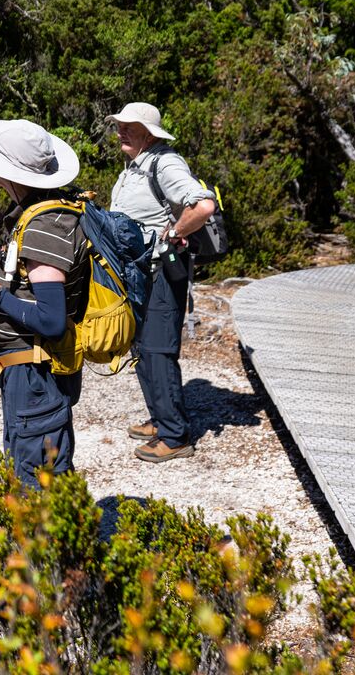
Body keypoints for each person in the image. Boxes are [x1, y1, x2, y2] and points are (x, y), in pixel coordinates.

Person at [0, 120, 91, 487]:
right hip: (30, 371)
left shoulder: (44, 226)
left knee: (39, 484)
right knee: (34, 472)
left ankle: (47, 546)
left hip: (36, 376)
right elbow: (36, 294)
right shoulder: (46, 212)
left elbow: (50, 320)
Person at [106, 103, 216, 464]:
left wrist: (174, 233)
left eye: (130, 127)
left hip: (162, 271)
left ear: (149, 133)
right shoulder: (135, 166)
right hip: (141, 273)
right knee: (142, 346)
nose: (121, 131)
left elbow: (203, 205)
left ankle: (175, 436)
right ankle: (160, 420)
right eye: (119, 125)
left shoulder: (164, 163)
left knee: (158, 349)